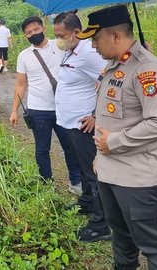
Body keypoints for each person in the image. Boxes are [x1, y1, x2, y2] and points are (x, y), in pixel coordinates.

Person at [76, 5, 157, 269]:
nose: (94, 46)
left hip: (138, 179)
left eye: (96, 40)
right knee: (121, 241)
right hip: (110, 173)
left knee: (154, 249)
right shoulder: (112, 65)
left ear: (116, 36)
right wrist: (100, 155)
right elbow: (108, 117)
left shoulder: (147, 69)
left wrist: (114, 142)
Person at [52, 11, 109, 242]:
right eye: (55, 34)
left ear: (76, 32)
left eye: (61, 34)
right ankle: (86, 203)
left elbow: (109, 81)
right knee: (83, 167)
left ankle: (101, 224)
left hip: (83, 124)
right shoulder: (70, 51)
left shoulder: (88, 53)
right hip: (69, 122)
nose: (58, 39)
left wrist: (96, 115)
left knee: (92, 172)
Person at [9, 16, 82, 189]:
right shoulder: (24, 56)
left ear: (43, 28)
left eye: (35, 29)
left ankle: (76, 181)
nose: (33, 33)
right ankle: (46, 183)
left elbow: (81, 54)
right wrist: (14, 110)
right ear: (25, 36)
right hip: (38, 109)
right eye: (28, 32)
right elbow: (21, 84)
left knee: (70, 146)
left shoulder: (60, 46)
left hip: (63, 108)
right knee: (42, 149)